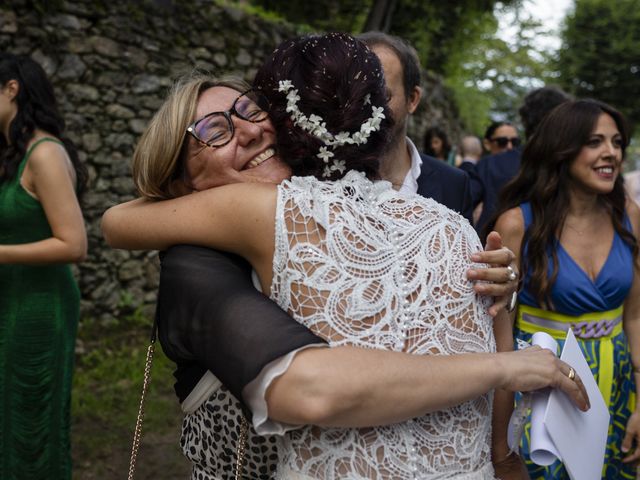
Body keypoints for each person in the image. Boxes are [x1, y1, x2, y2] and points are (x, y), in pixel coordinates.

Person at [103, 33, 588, 479]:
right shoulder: (197, 260)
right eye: (214, 130)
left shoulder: (409, 221)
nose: (247, 132)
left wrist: (489, 284)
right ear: (176, 182)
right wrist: (505, 365)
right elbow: (311, 388)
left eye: (251, 111)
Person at [488, 99, 640, 479]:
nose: (611, 153)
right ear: (562, 149)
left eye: (617, 142)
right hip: (541, 392)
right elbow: (498, 335)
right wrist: (501, 442)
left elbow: (636, 316)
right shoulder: (516, 224)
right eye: (595, 142)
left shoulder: (630, 216)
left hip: (618, 386)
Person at [0, 54, 87, 479]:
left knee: (31, 417)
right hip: (9, 299)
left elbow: (74, 244)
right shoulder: (13, 155)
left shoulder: (45, 153)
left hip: (38, 305)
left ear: (11, 89)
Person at [357, 31, 474, 222]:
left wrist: (489, 253)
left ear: (412, 99)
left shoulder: (453, 184)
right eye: (356, 96)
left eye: (382, 96)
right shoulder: (320, 178)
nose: (369, 108)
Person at [462, 87, 571, 239]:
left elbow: (460, 208)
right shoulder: (573, 164)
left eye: (514, 141)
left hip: (494, 248)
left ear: (525, 121)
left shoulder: (490, 165)